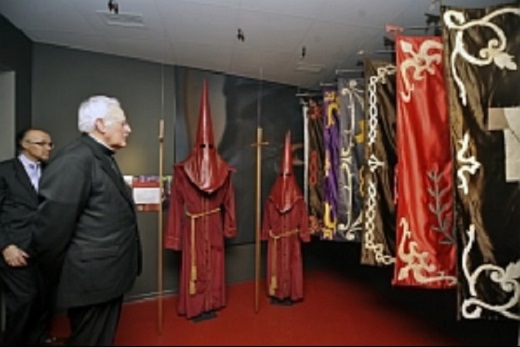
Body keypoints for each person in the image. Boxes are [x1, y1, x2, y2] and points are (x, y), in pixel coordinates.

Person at [31, 95, 142, 346]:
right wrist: (60, 278)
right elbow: (51, 231)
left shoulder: (99, 157)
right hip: (91, 280)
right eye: (122, 123)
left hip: (104, 278)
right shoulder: (74, 160)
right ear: (101, 125)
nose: (128, 129)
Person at [165, 80, 237, 321]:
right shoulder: (183, 172)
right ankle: (196, 306)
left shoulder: (224, 171)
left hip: (210, 224)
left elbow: (229, 202)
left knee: (214, 263)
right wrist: (174, 237)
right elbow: (176, 207)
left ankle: (212, 303)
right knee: (195, 264)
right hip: (194, 226)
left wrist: (229, 226)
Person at [0, 128, 56, 346]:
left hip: (44, 249)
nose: (48, 148)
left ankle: (39, 339)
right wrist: (5, 246)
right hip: (15, 248)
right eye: (42, 143)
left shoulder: (51, 171)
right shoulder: (4, 171)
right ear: (24, 145)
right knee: (24, 301)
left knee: (44, 300)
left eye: (50, 144)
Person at [261, 130, 310, 305]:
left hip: (291, 239)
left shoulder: (297, 199)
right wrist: (266, 233)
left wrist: (303, 235)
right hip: (276, 240)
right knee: (276, 266)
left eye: (287, 176)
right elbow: (267, 218)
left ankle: (291, 293)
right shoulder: (272, 198)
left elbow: (303, 219)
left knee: (291, 263)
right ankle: (276, 292)